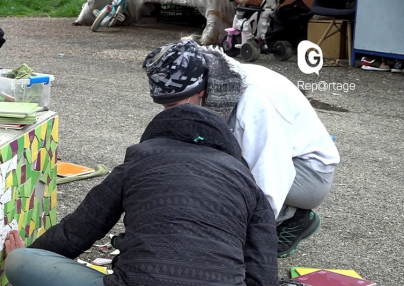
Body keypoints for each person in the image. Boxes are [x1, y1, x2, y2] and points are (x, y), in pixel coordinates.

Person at [4, 104, 279, 286]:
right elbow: (263, 280)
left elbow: (77, 232)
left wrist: (33, 258)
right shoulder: (247, 182)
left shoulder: (140, 160)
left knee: (20, 261)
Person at [142, 39, 340, 258]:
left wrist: (237, 241)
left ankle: (293, 217)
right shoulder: (216, 80)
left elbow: (269, 177)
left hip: (308, 174)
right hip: (270, 158)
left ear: (200, 91)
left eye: (172, 105)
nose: (166, 110)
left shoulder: (256, 101)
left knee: (225, 178)